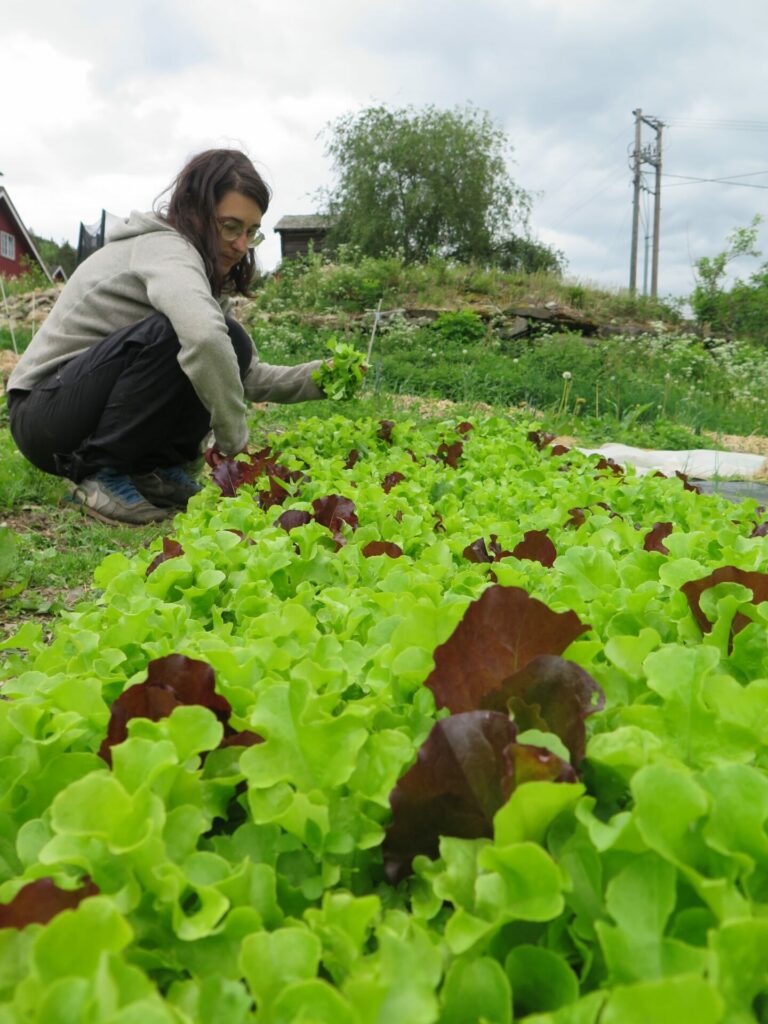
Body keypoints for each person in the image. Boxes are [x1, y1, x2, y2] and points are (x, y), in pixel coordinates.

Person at [5, 148, 326, 525]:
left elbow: (241, 370)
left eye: (251, 233)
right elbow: (203, 340)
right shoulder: (164, 249)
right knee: (184, 334)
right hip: (44, 414)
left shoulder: (199, 275)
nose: (241, 245)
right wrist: (234, 442)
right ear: (196, 213)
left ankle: (154, 470)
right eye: (230, 227)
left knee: (231, 340)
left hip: (80, 406)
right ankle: (98, 474)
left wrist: (321, 377)